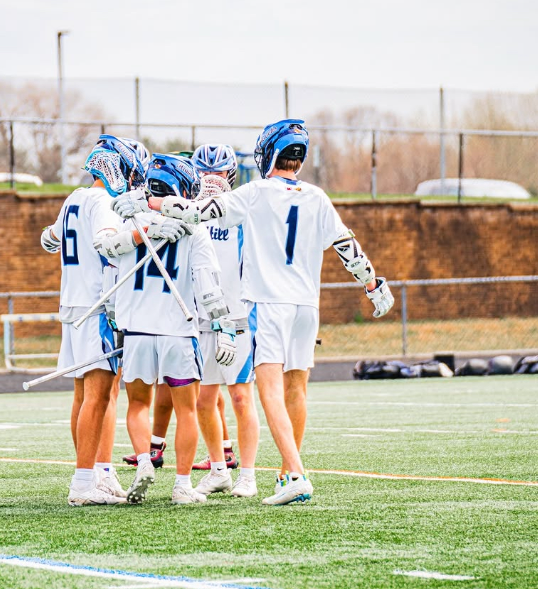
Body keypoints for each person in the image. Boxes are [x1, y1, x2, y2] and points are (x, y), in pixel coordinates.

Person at [113, 120, 395, 505]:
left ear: (269, 153)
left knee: (270, 392)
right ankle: (285, 473)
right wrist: (373, 284)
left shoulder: (256, 192)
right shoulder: (317, 196)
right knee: (297, 390)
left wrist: (150, 202)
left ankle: (296, 474)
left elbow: (194, 213)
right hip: (306, 305)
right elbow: (348, 247)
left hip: (268, 304)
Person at [101, 153, 236, 505]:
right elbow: (208, 285)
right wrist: (223, 326)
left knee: (137, 405)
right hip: (178, 331)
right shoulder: (194, 230)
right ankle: (182, 485)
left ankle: (145, 461)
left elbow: (108, 263)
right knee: (187, 410)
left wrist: (112, 315)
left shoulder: (130, 221)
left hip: (137, 332)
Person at [42, 134, 157, 506]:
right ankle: (83, 482)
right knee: (98, 394)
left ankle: (99, 472)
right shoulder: (105, 203)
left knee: (88, 394)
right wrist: (145, 233)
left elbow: (48, 240)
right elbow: (108, 244)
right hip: (97, 305)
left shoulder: (74, 198)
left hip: (73, 303)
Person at [188, 145, 260, 499]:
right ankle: (219, 470)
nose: (211, 181)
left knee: (241, 397)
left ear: (229, 175)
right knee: (204, 400)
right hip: (202, 319)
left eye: (217, 174)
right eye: (205, 174)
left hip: (237, 317)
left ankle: (248, 475)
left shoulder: (241, 212)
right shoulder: (190, 213)